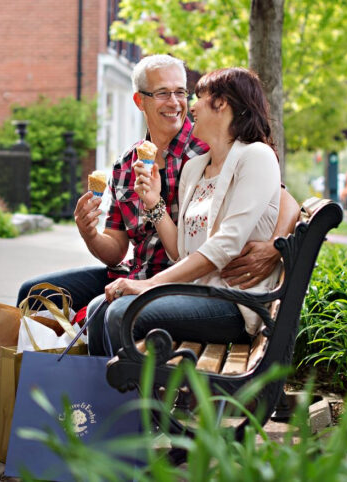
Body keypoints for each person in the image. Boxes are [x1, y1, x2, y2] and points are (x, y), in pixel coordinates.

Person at [16, 56, 298, 355]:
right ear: (140, 101)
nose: (180, 104)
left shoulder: (217, 147)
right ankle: (43, 384)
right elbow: (118, 249)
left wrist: (275, 246)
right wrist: (91, 232)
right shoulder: (132, 164)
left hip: (187, 283)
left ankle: (98, 397)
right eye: (164, 93)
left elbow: (281, 199)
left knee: (106, 311)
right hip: (142, 274)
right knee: (35, 293)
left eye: (183, 93)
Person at [92, 67, 284, 356]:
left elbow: (226, 245)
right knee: (99, 308)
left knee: (121, 312)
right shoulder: (196, 168)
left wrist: (149, 285)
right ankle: (103, 400)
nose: (191, 106)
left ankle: (135, 400)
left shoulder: (255, 156)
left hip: (232, 303)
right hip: (196, 292)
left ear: (221, 104)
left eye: (199, 97)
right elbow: (179, 251)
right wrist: (154, 203)